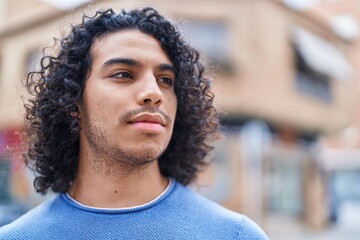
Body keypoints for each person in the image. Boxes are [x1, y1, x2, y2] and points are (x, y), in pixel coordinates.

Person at [0, 7, 268, 239]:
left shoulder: (236, 235)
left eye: (166, 80)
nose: (154, 93)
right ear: (72, 103)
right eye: (124, 74)